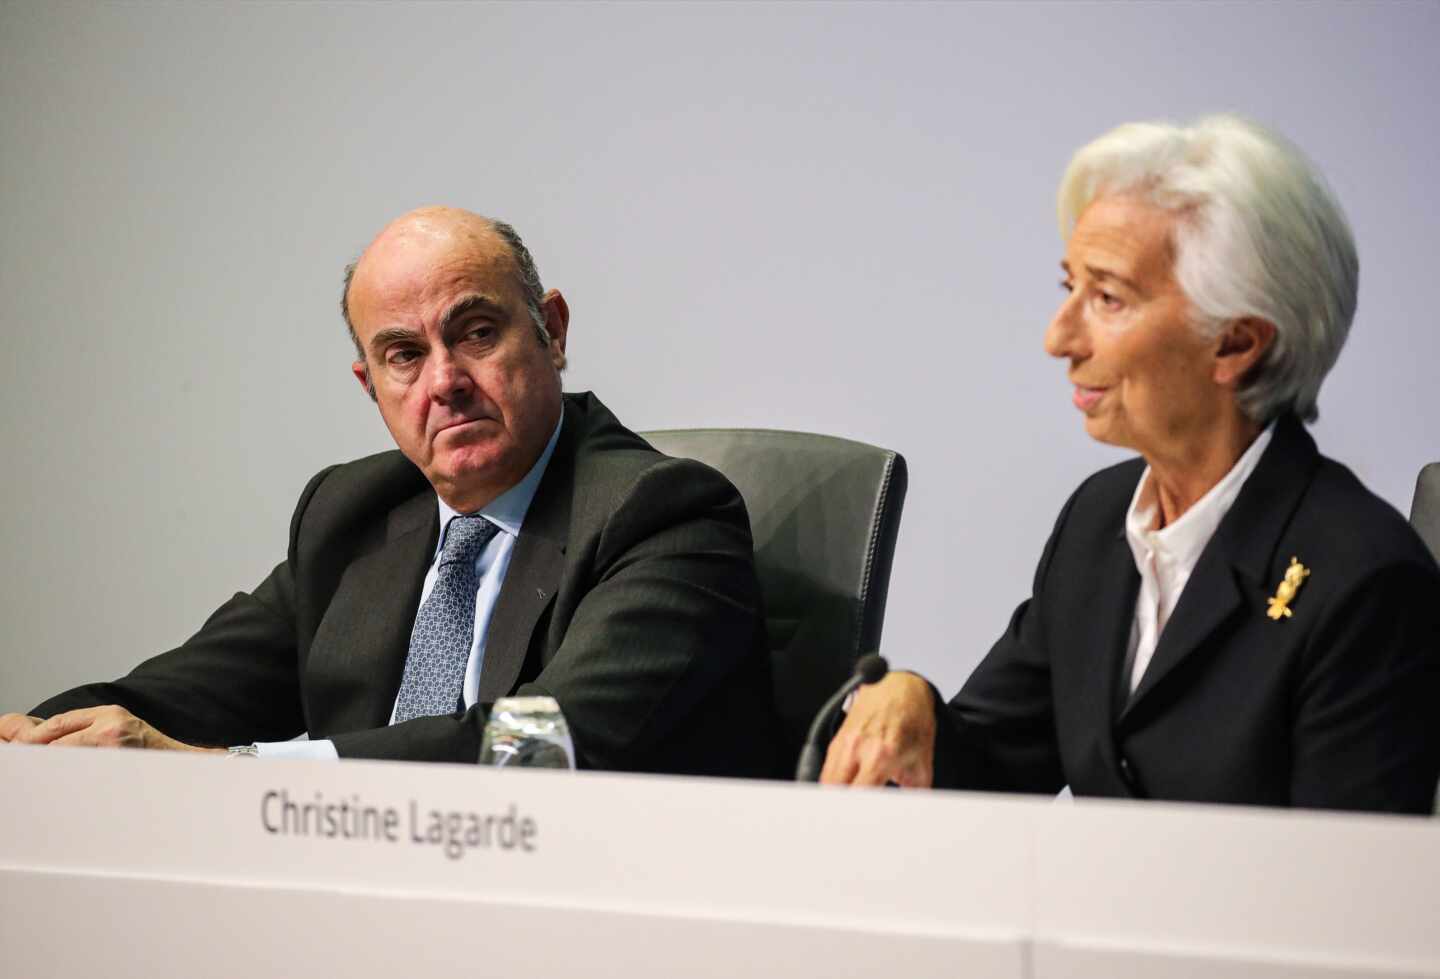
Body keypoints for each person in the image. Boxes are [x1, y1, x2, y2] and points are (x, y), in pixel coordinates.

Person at [0, 206, 778, 778]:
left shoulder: (664, 513)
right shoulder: (350, 515)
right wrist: (34, 740)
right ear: (370, 386)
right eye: (404, 355)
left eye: (476, 332)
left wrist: (227, 773)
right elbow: (171, 699)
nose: (444, 382)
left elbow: (542, 744)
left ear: (553, 331)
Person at [821, 116, 1440, 812]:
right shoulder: (1100, 519)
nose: (1060, 337)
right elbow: (991, 762)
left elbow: (1343, 902)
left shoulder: (1366, 581)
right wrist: (914, 703)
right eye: (1070, 288)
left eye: (1109, 297)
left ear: (1235, 342)